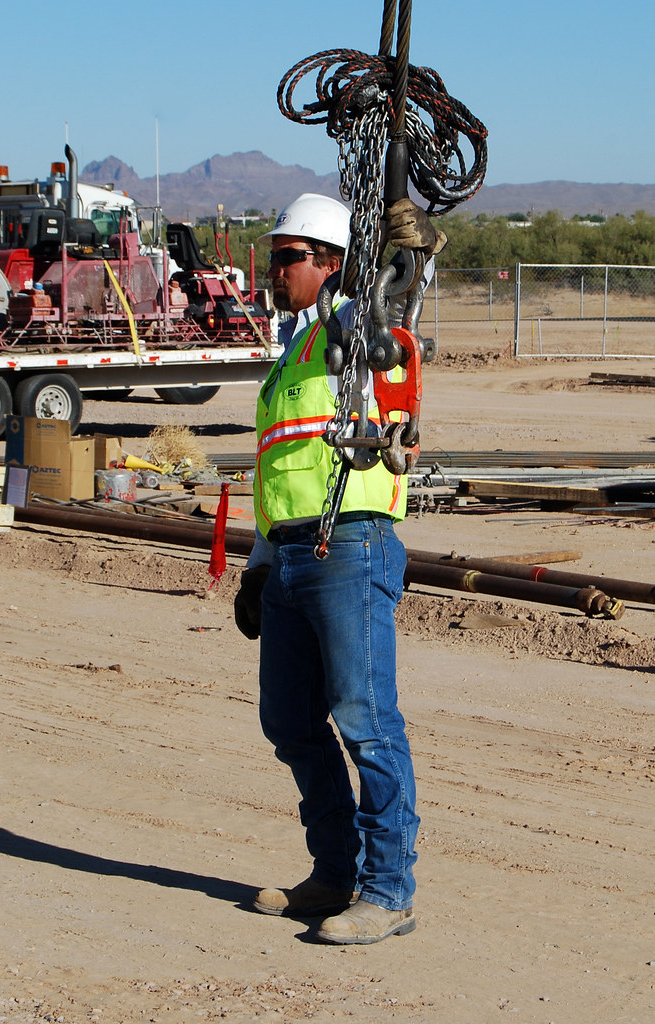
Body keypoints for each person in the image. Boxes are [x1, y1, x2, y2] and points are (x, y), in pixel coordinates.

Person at [234, 192, 445, 944]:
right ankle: (335, 873)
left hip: (350, 543)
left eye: (288, 256)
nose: (273, 267)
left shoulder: (353, 326)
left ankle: (388, 893)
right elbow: (276, 465)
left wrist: (410, 256)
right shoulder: (294, 348)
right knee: (289, 721)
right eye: (274, 254)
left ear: (329, 264)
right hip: (290, 552)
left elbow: (397, 307)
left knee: (366, 723)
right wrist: (257, 563)